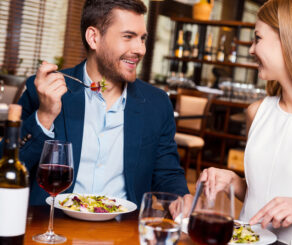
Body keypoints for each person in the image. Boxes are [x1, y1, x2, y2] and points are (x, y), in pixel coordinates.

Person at [6, 0, 192, 209]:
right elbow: (10, 166)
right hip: (52, 227)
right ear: (94, 38)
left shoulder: (157, 104)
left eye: (142, 39)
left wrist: (180, 200)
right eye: (128, 37)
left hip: (124, 231)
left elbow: (167, 174)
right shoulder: (42, 90)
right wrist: (45, 116)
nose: (140, 49)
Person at [199, 0, 292, 243]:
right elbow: (262, 195)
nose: (251, 49)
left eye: (257, 38)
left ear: (291, 41)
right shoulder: (257, 112)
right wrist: (234, 182)